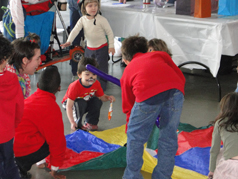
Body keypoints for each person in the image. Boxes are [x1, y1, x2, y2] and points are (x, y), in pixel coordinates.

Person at [120, 35, 185, 179]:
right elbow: (179, 76)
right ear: (146, 49)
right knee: (168, 137)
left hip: (147, 96)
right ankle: (163, 176)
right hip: (176, 91)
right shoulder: (161, 55)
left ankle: (132, 176)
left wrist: (130, 127)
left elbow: (129, 106)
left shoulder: (128, 70)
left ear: (125, 60)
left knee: (135, 138)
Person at [13, 66, 66, 179]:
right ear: (59, 88)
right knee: (50, 141)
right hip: (19, 151)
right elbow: (57, 142)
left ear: (37, 85)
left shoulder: (29, 100)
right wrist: (54, 170)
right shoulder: (52, 108)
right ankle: (20, 168)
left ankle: (19, 167)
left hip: (7, 147)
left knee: (39, 131)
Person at [61, 0, 115, 91]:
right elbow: (75, 31)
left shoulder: (102, 19)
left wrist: (111, 46)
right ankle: (90, 86)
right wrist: (69, 41)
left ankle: (101, 88)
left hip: (102, 48)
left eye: (95, 5)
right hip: (89, 49)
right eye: (90, 6)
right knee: (88, 68)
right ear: (84, 8)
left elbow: (109, 33)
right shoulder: (82, 20)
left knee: (102, 69)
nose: (93, 8)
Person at [62, 57, 115, 131]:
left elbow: (101, 96)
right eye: (87, 74)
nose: (91, 77)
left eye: (94, 74)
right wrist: (72, 122)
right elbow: (69, 106)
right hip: (70, 104)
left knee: (97, 101)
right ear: (79, 75)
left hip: (84, 101)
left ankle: (90, 122)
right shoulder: (74, 86)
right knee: (80, 103)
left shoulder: (96, 83)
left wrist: (108, 97)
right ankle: (78, 124)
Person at [0, 35, 24, 179]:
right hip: (7, 132)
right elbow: (19, 107)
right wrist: (13, 125)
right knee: (9, 162)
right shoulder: (12, 78)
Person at [208, 92, 238, 179]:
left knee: (221, 151)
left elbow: (214, 149)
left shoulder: (220, 123)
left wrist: (212, 170)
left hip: (229, 166)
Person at [68, 0, 84, 81]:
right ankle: (76, 72)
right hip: (75, 5)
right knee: (75, 41)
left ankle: (79, 71)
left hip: (86, 4)